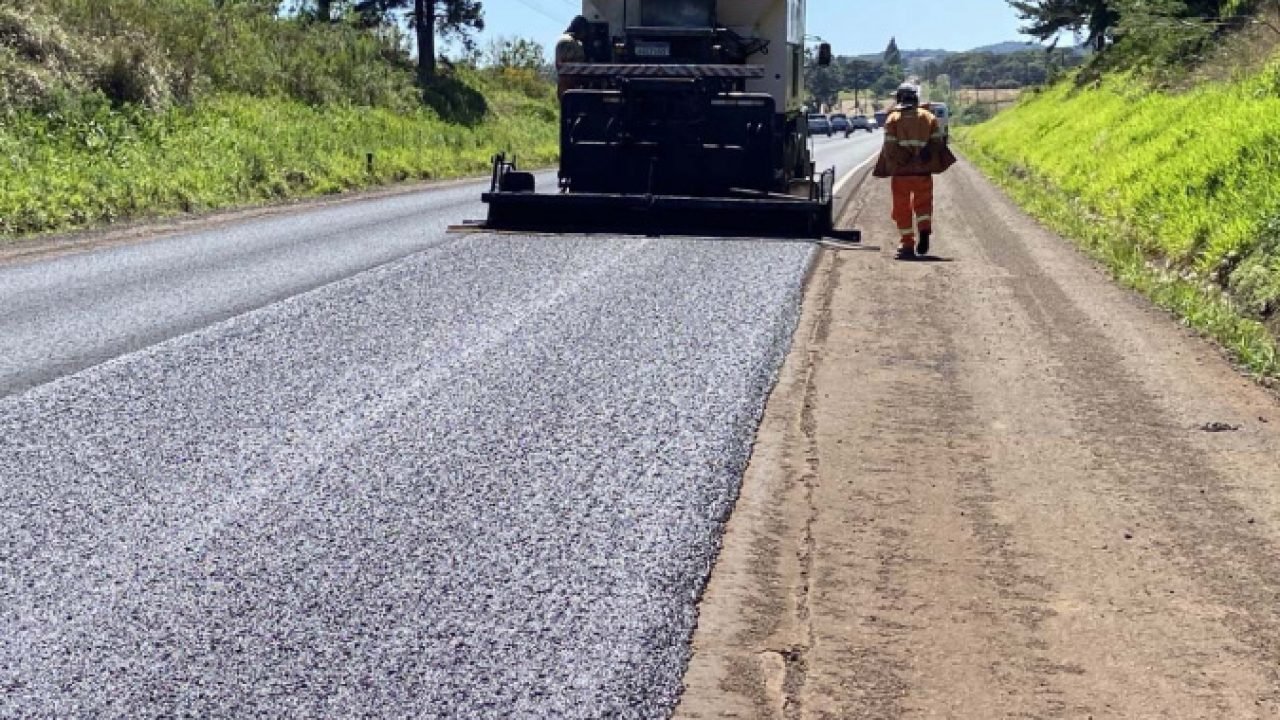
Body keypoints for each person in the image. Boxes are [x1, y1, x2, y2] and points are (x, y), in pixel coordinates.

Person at [873, 82, 956, 260]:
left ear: (900, 98)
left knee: (901, 208)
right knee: (923, 205)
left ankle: (907, 244)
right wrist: (922, 157)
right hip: (922, 172)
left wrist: (904, 160)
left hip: (901, 174)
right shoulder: (928, 117)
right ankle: (924, 230)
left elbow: (889, 147)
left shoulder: (893, 119)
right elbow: (937, 143)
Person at [555, 16, 590, 98]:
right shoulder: (570, 42)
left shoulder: (563, 39)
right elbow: (571, 63)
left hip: (563, 83)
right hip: (570, 83)